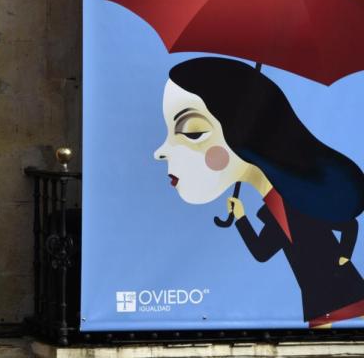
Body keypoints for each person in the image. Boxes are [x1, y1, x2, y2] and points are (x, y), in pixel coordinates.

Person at [154, 56, 364, 327]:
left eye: (193, 131)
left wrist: (344, 254)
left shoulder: (301, 195)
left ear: (243, 136)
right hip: (314, 294)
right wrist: (241, 218)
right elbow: (262, 252)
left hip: (340, 283)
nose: (159, 152)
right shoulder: (270, 209)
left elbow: (348, 225)